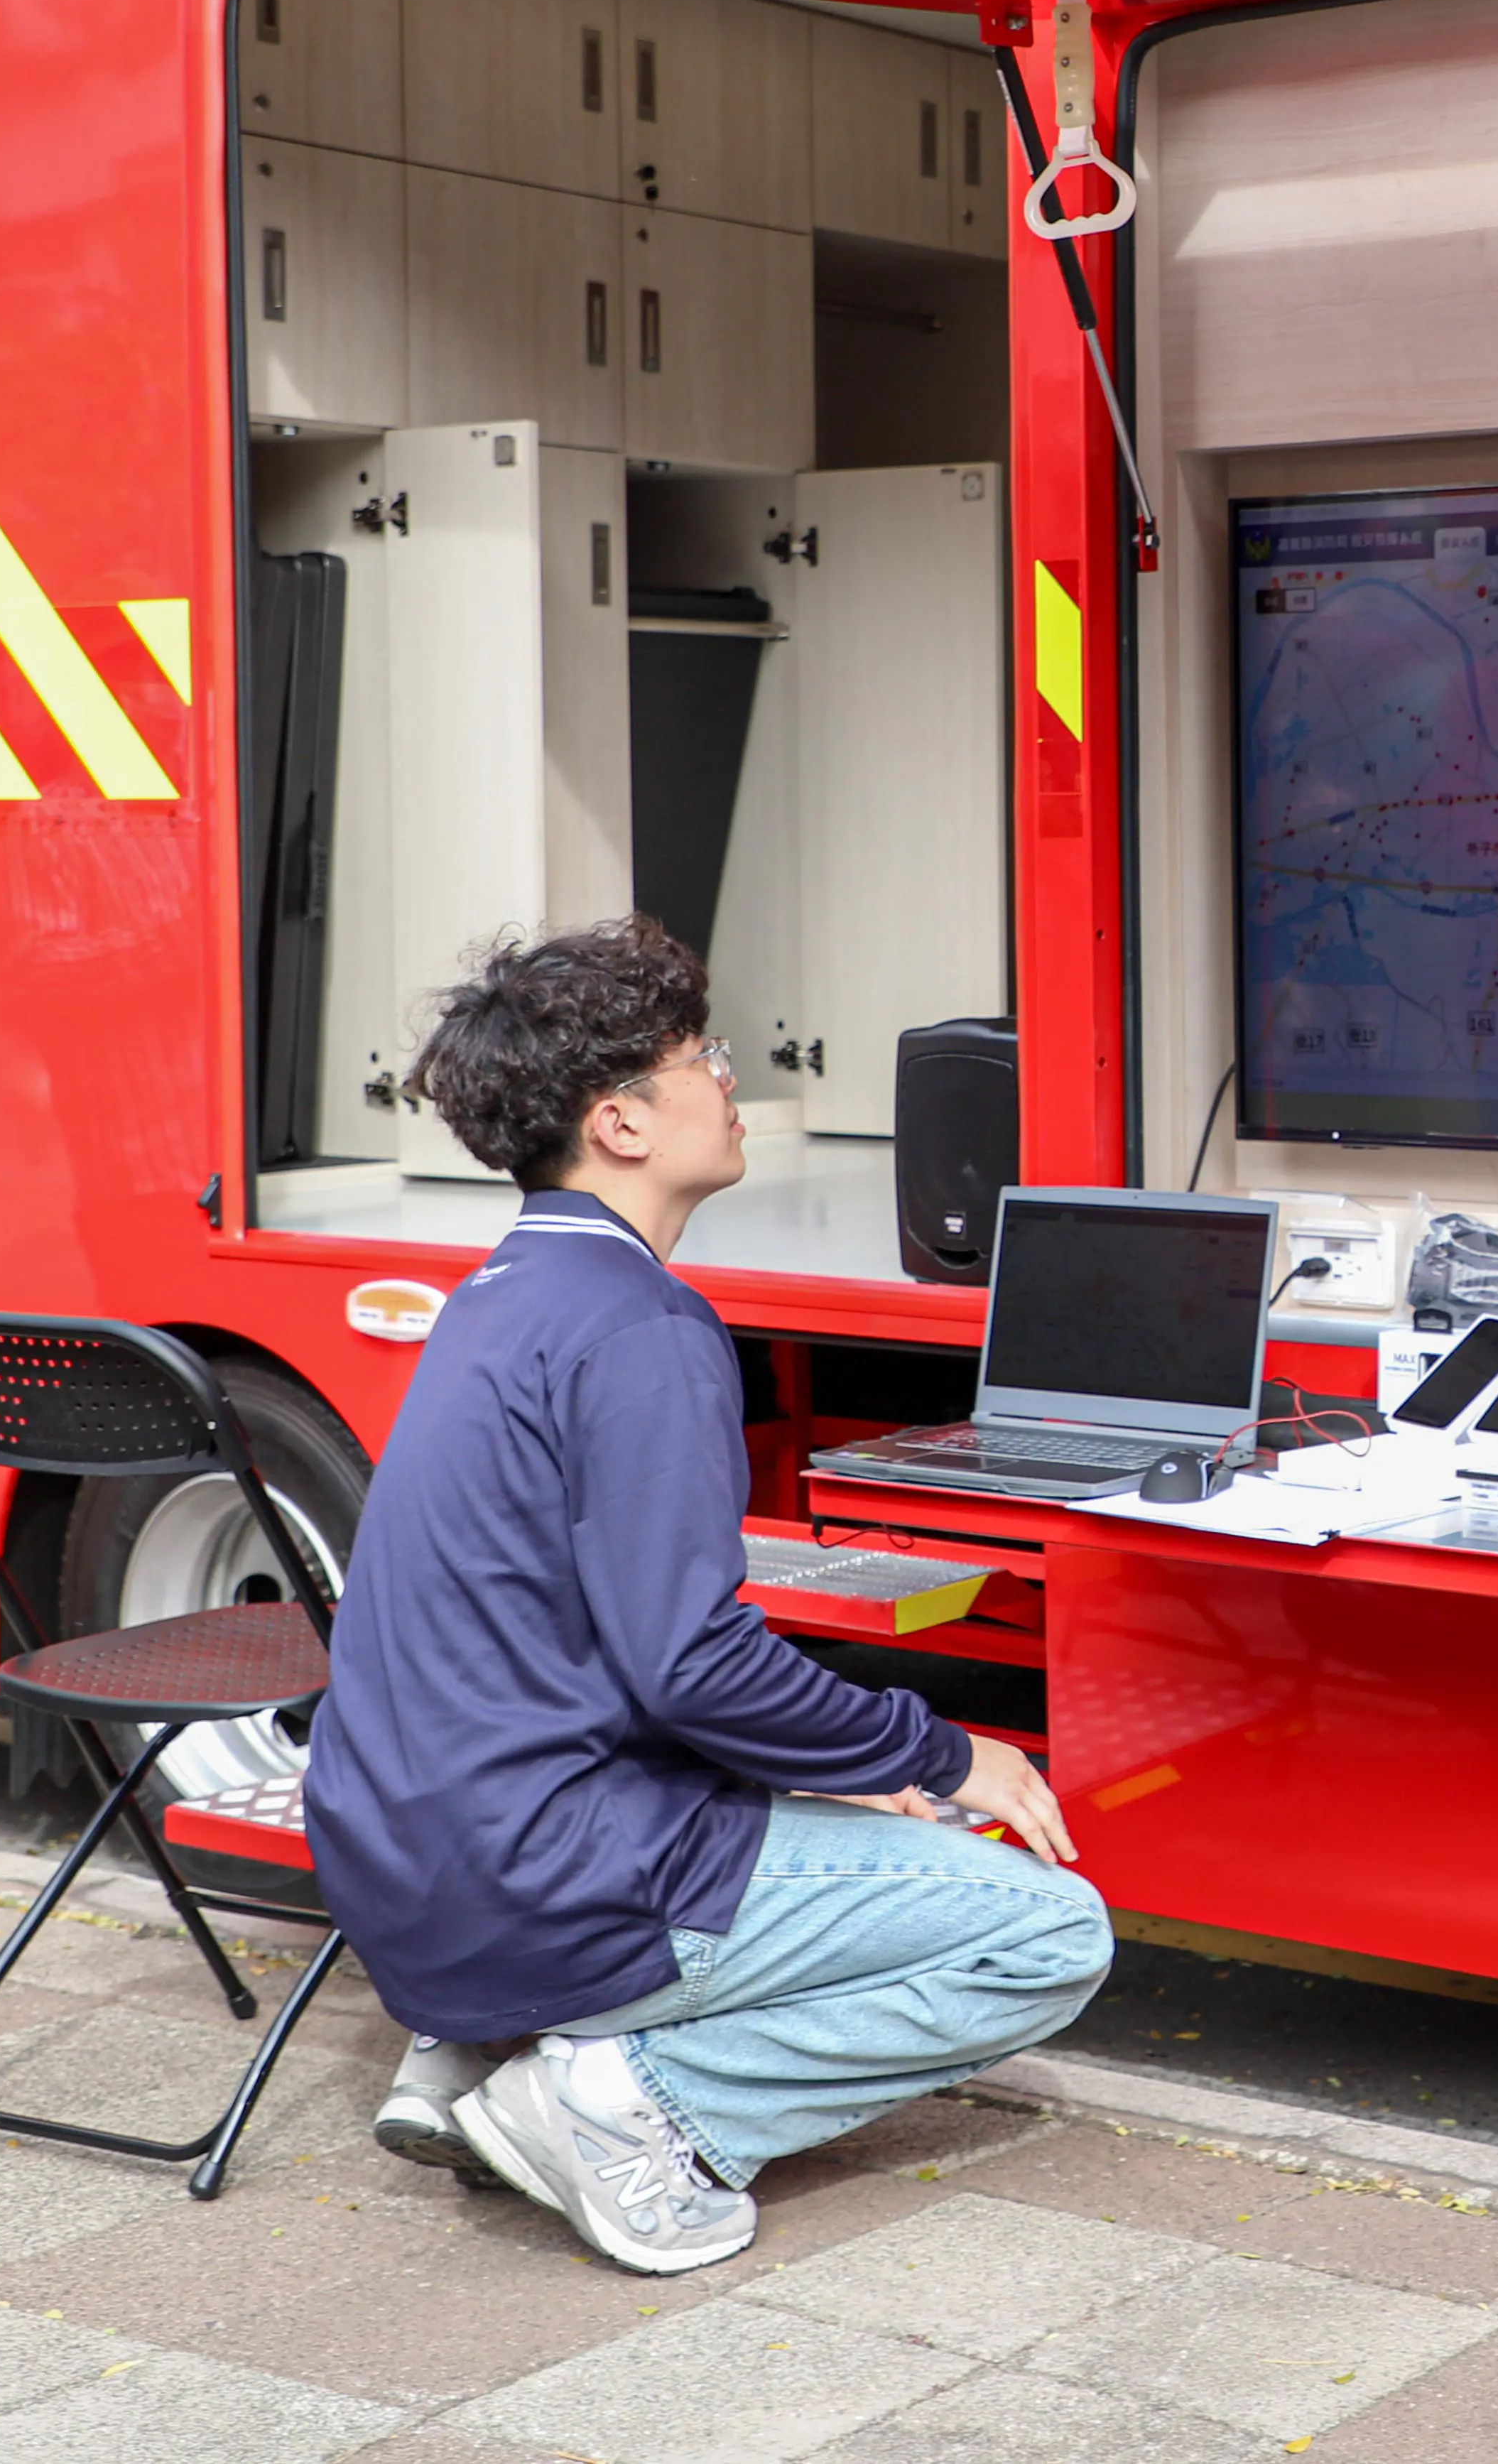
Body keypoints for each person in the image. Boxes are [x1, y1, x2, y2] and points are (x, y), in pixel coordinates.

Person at [303, 917, 1109, 2274]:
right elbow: (690, 1664)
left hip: (409, 1871)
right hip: (543, 1875)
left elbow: (582, 1645)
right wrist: (945, 1751)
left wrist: (829, 1775)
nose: (731, 1081)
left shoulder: (500, 1294)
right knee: (1045, 1935)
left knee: (833, 1814)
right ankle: (624, 2107)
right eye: (703, 1058)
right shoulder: (641, 1327)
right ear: (621, 1122)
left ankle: (498, 2052)